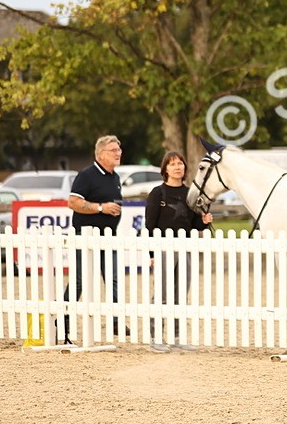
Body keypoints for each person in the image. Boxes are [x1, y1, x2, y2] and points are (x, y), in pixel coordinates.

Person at [59, 135, 128, 344]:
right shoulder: (87, 175)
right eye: (113, 150)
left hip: (109, 238)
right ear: (100, 154)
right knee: (80, 281)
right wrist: (101, 208)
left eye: (119, 149)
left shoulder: (114, 177)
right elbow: (73, 202)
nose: (118, 153)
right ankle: (63, 320)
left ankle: (115, 320)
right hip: (86, 239)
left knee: (114, 279)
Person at [145, 151, 213, 352]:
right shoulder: (158, 193)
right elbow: (150, 227)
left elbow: (193, 226)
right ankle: (155, 338)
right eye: (173, 164)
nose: (177, 167)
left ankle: (177, 337)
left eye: (180, 163)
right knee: (162, 295)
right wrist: (152, 255)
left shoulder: (190, 193)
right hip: (164, 249)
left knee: (180, 295)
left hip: (186, 249)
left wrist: (204, 223)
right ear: (165, 169)